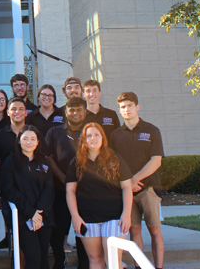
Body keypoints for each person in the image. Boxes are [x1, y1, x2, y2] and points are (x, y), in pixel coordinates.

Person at [65, 123, 133, 269]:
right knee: (95, 259)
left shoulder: (115, 159)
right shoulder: (76, 162)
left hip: (114, 218)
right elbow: (70, 191)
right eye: (89, 136)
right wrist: (75, 217)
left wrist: (126, 214)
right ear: (84, 140)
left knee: (113, 260)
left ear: (103, 137)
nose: (93, 138)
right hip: (87, 218)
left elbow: (127, 186)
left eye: (96, 135)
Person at [110, 92, 165, 269]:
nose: (126, 109)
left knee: (154, 229)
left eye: (130, 105)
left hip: (148, 188)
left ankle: (158, 267)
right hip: (126, 191)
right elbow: (113, 163)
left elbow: (156, 160)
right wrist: (127, 184)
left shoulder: (151, 130)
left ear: (137, 107)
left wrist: (135, 179)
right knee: (134, 230)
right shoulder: (115, 135)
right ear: (119, 110)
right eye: (123, 107)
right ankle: (139, 267)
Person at [0, 125, 55, 269]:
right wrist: (31, 212)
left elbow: (49, 189)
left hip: (43, 218)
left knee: (43, 259)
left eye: (32, 139)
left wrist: (39, 213)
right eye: (25, 139)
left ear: (38, 142)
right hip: (22, 219)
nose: (28, 142)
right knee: (33, 257)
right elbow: (8, 190)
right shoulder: (11, 161)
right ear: (19, 141)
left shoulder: (45, 162)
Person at [44, 96, 88, 269]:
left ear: (85, 112)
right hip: (60, 189)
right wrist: (64, 178)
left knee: (83, 228)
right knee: (58, 229)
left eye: (79, 110)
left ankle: (84, 263)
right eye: (72, 110)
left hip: (85, 191)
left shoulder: (91, 131)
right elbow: (48, 157)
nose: (75, 113)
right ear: (65, 112)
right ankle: (59, 260)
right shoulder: (55, 132)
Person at [0, 97, 27, 249]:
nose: (17, 112)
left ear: (26, 112)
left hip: (31, 192)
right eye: (14, 109)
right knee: (13, 236)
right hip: (7, 191)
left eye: (21, 109)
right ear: (8, 112)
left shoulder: (33, 134)